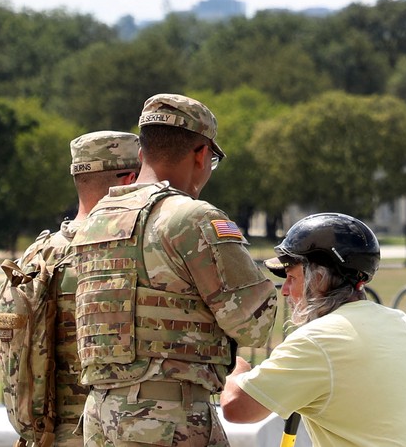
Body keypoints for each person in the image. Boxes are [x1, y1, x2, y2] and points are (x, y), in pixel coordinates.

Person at [71, 94, 278, 447]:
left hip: (100, 415)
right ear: (201, 155)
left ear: (141, 154)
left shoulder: (97, 220)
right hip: (165, 417)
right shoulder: (191, 218)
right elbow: (253, 324)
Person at [221, 214, 406, 447]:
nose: (285, 290)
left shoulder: (318, 340)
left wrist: (235, 370)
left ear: (318, 278)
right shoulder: (399, 322)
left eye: (292, 277)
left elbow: (237, 408)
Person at [0, 130, 142, 447]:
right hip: (113, 432)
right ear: (129, 180)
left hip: (48, 435)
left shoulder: (37, 256)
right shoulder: (130, 254)